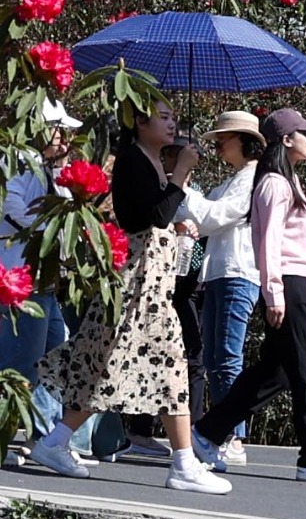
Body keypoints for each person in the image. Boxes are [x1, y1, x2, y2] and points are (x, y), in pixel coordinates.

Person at [33, 101, 232, 492]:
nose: (173, 123)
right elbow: (148, 216)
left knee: (109, 363)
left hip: (152, 283)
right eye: (164, 116)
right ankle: (183, 463)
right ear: (139, 122)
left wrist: (178, 201)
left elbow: (160, 213)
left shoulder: (151, 160)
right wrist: (181, 175)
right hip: (139, 285)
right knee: (164, 362)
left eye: (175, 115)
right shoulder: (132, 160)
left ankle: (56, 441)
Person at [190, 107, 306, 486]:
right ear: (287, 139)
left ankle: (207, 432)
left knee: (278, 372)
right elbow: (266, 244)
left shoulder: (290, 182)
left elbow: (302, 247)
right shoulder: (272, 184)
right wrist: (273, 294)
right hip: (285, 284)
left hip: (298, 280)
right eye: (305, 132)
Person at [0, 99, 84, 463]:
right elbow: (13, 207)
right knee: (17, 358)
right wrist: (50, 230)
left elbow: (69, 210)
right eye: (59, 129)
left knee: (55, 354)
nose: (65, 137)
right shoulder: (18, 161)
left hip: (44, 278)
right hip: (18, 276)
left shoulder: (49, 167)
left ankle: (46, 437)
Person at [186, 109, 265, 468]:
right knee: (216, 359)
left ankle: (233, 436)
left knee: (228, 358)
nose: (219, 143)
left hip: (238, 273)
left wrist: (183, 183)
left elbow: (212, 217)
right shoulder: (230, 182)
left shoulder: (253, 179)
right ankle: (221, 433)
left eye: (225, 137)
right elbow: (200, 221)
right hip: (218, 273)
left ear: (244, 142)